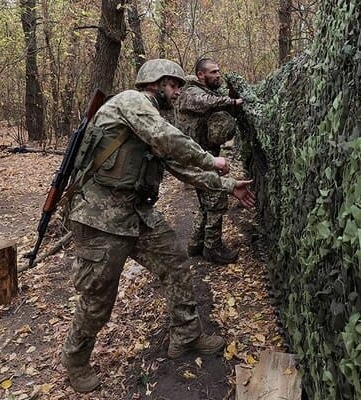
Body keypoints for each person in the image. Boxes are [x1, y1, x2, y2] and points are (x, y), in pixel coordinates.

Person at [60, 58, 256, 393]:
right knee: (97, 300)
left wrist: (228, 185)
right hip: (100, 219)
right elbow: (168, 140)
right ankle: (76, 362)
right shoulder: (132, 103)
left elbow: (179, 165)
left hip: (135, 213)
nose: (179, 92)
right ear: (156, 82)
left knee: (176, 263)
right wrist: (211, 159)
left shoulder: (152, 116)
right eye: (175, 85)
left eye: (180, 85)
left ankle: (186, 335)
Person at [175, 58, 245, 264]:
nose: (218, 75)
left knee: (206, 202)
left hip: (205, 155)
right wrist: (232, 102)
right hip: (196, 157)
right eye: (213, 72)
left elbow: (216, 101)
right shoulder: (190, 93)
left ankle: (196, 244)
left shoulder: (209, 91)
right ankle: (213, 248)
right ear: (200, 75)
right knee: (215, 198)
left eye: (218, 71)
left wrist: (231, 97)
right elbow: (205, 102)